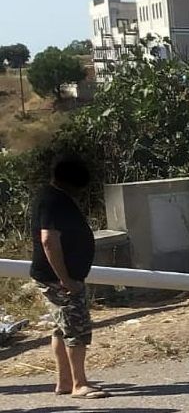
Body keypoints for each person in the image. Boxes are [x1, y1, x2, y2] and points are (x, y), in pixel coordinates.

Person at [30, 155, 109, 399]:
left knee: (61, 329)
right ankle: (79, 383)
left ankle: (65, 381)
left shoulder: (52, 197)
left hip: (61, 277)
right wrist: (65, 279)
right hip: (60, 280)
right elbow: (49, 240)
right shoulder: (53, 201)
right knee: (76, 328)